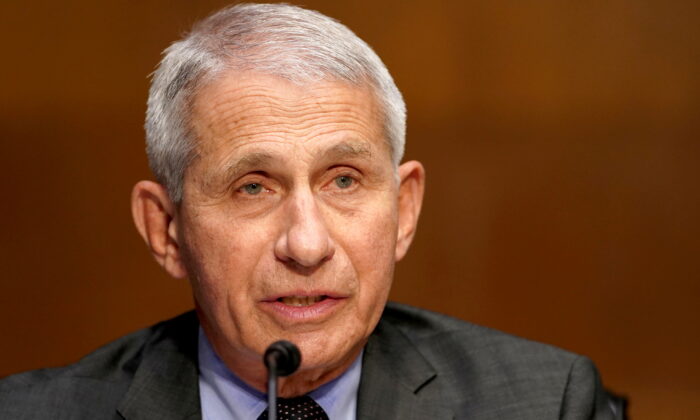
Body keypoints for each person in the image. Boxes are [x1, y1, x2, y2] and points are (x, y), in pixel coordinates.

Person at [0, 3, 619, 419]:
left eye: (344, 180)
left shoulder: (547, 404)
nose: (306, 243)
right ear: (166, 230)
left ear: (403, 211)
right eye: (253, 188)